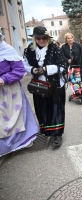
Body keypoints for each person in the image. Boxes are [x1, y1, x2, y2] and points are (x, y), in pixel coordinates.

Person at [23, 26, 67, 147]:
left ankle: (57, 134)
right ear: (34, 38)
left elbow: (63, 66)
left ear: (48, 38)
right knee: (42, 108)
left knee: (56, 109)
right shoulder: (29, 51)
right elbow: (24, 66)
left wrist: (46, 69)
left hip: (55, 85)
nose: (41, 40)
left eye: (44, 38)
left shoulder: (55, 49)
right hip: (38, 85)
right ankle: (47, 130)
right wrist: (34, 70)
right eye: (38, 38)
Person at [0, 29, 39, 157]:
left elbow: (19, 70)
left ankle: (22, 141)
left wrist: (4, 79)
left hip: (11, 91)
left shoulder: (8, 50)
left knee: (15, 118)